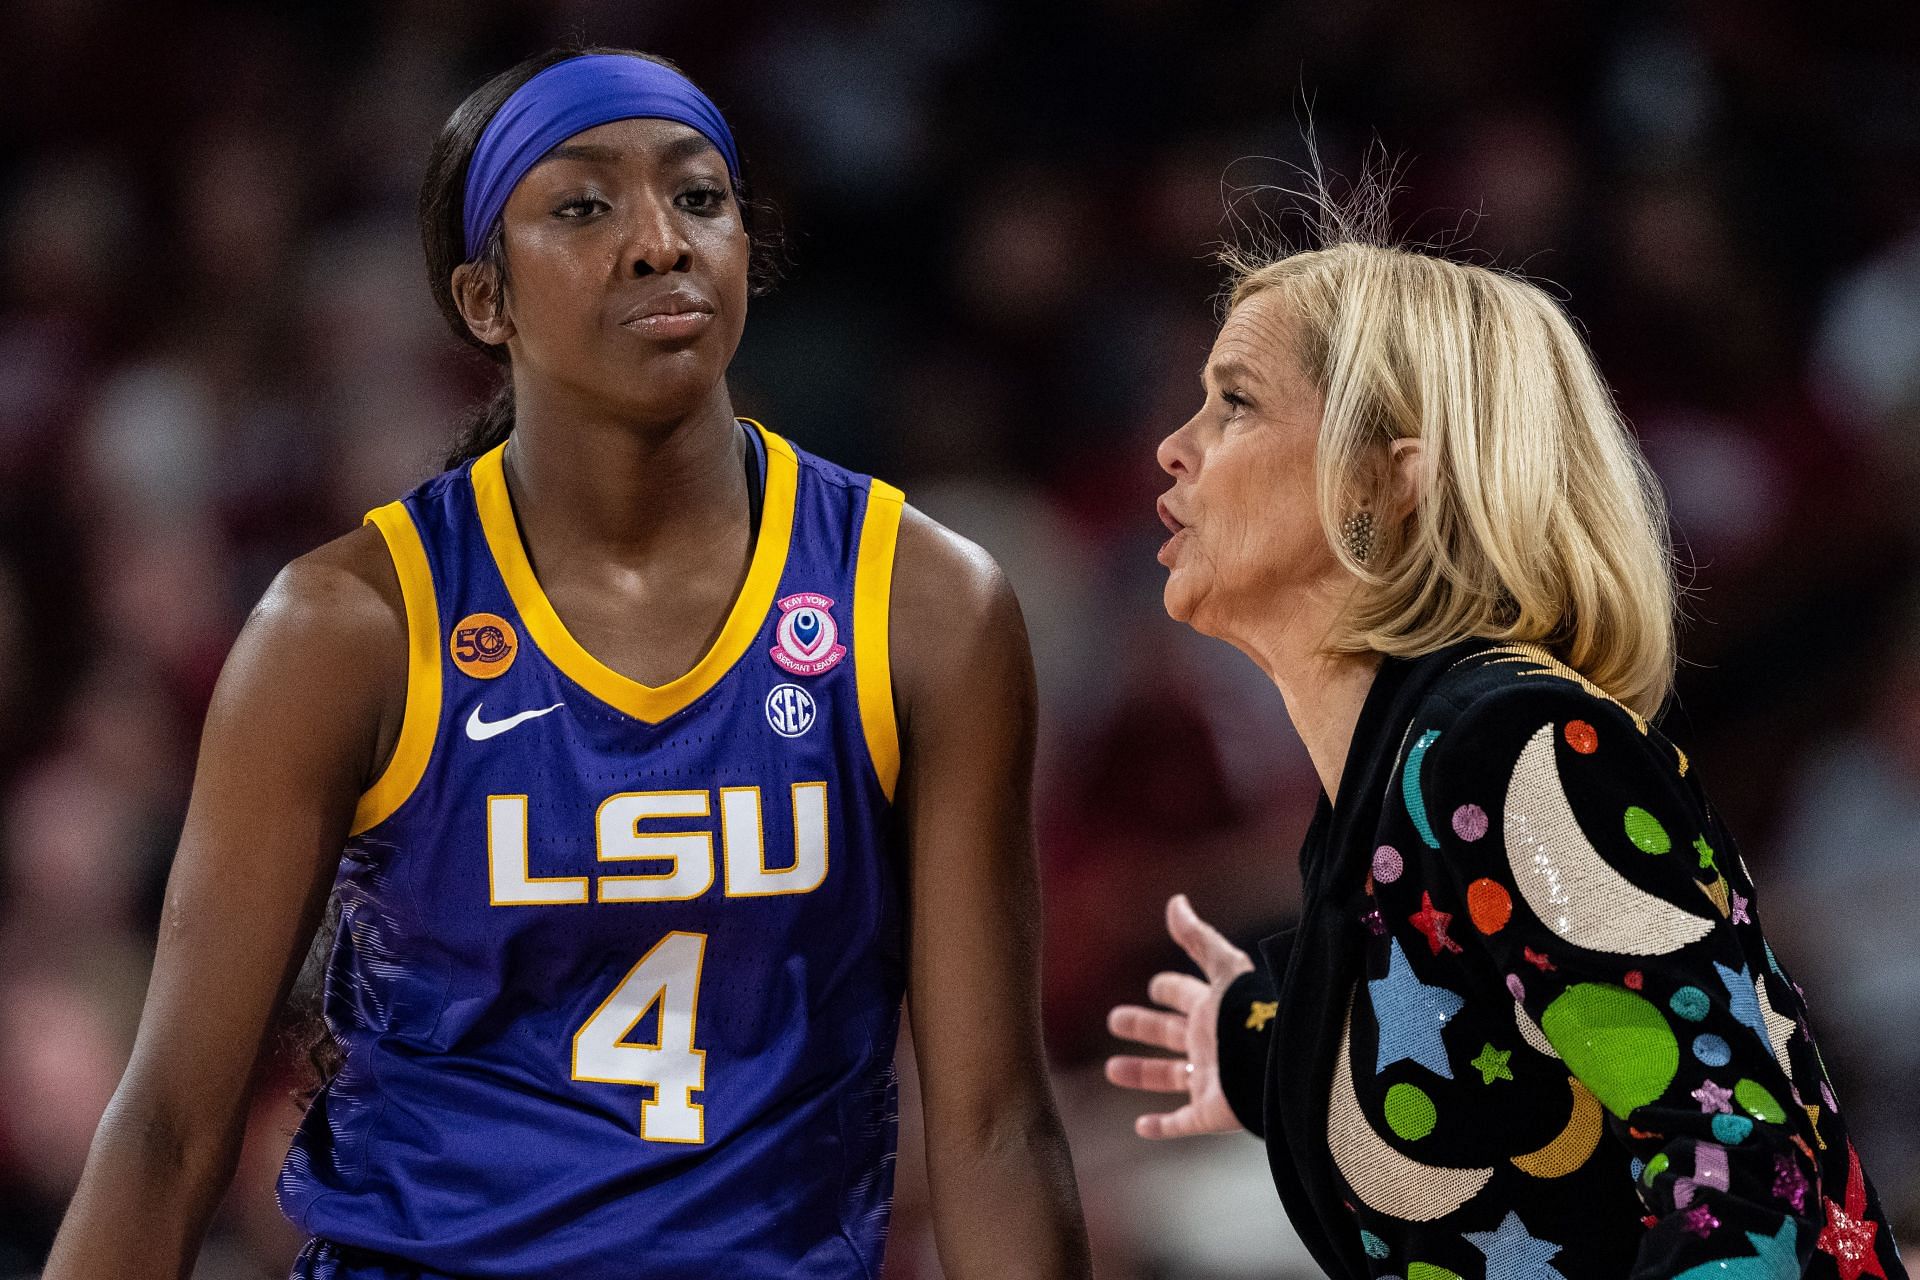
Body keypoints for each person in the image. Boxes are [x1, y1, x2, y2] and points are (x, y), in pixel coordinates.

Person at [46, 47, 1089, 1280]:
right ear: (484, 299)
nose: (660, 241)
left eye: (700, 198)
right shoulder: (347, 625)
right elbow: (168, 1124)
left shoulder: (924, 603)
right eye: (585, 206)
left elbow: (992, 1123)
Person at [1105, 211, 1908, 1280]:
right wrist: (1273, 1046)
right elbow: (1504, 1051)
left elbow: (1748, 1173)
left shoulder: (1518, 743)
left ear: (1386, 480)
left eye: (1236, 401)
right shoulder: (1401, 777)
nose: (1176, 443)